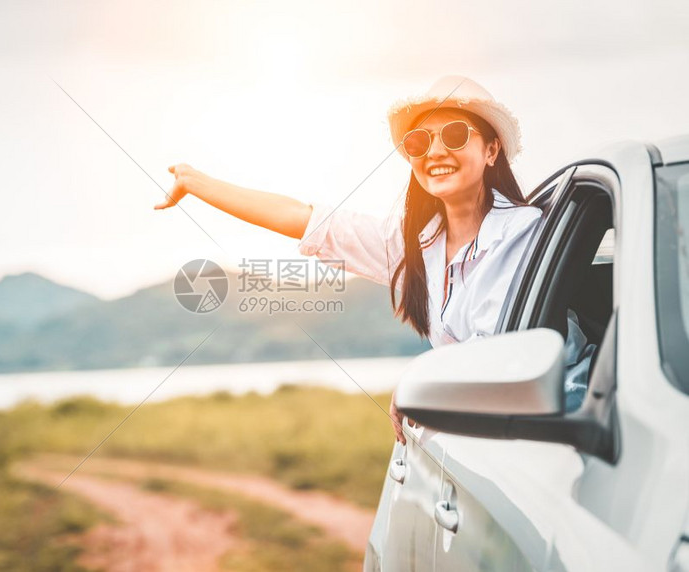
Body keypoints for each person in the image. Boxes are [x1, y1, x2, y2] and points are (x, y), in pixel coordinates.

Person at [156, 75, 590, 444]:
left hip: (570, 427)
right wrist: (199, 183)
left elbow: (497, 352)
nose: (435, 152)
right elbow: (306, 219)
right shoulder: (415, 244)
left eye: (455, 135)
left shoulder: (522, 231)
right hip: (500, 436)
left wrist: (420, 381)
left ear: (491, 151)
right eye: (420, 141)